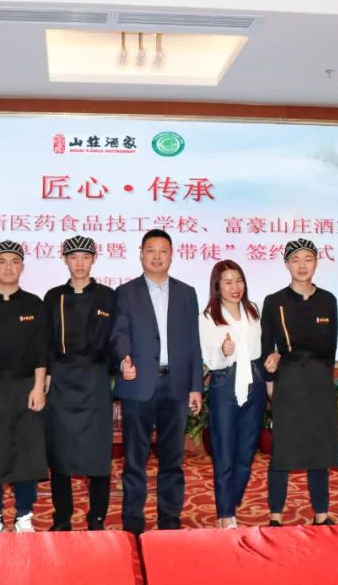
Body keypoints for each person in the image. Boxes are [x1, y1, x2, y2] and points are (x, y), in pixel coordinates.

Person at [111, 229, 203, 534]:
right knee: (134, 458)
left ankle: (170, 519)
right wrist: (123, 358)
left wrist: (196, 386)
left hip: (176, 385)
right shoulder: (126, 292)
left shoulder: (186, 293)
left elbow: (193, 343)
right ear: (141, 254)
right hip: (139, 383)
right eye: (150, 250)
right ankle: (133, 520)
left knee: (172, 458)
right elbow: (119, 333)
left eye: (163, 251)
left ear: (172, 255)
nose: (157, 256)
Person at [0, 240, 48, 534]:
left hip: (27, 386)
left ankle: (24, 513)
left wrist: (38, 386)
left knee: (27, 452)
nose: (8, 267)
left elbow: (41, 350)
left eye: (14, 261)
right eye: (2, 262)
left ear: (22, 266)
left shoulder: (34, 304)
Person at [262, 239, 338, 526]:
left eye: (308, 259)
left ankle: (321, 513)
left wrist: (324, 378)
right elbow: (266, 349)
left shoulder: (328, 300)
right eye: (295, 260)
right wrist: (271, 383)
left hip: (319, 380)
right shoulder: (274, 302)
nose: (302, 265)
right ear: (286, 265)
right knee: (283, 449)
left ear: (316, 262)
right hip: (289, 380)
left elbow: (330, 348)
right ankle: (276, 515)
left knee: (319, 448)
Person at [42, 236, 117, 532]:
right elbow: (46, 341)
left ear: (94, 259)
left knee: (98, 453)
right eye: (73, 257)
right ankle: (62, 517)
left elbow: (116, 339)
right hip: (61, 380)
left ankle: (96, 516)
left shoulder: (108, 296)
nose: (80, 263)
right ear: (65, 260)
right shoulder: (53, 297)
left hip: (95, 380)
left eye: (85, 257)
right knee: (60, 452)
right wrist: (46, 375)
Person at [199, 260, 266, 529]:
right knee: (225, 451)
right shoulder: (208, 317)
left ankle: (229, 503)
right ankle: (226, 514)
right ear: (217, 286)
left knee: (246, 452)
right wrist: (223, 351)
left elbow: (262, 346)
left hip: (255, 381)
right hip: (225, 382)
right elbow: (209, 357)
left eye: (238, 280)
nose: (235, 287)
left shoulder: (254, 310)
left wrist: (272, 360)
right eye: (227, 282)